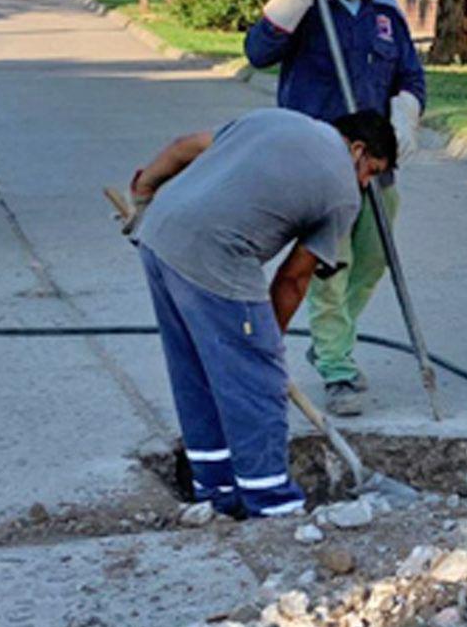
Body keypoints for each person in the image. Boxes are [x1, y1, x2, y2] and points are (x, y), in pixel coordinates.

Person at [125, 108, 398, 518]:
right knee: (257, 387)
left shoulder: (273, 120)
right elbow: (292, 280)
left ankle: (214, 491)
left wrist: (144, 195)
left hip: (159, 238)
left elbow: (183, 147)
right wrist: (264, 351)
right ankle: (273, 505)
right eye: (370, 172)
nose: (365, 184)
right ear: (356, 150)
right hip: (215, 255)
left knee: (195, 371)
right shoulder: (343, 191)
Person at [245, 0, 426, 418]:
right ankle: (337, 368)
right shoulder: (308, 6)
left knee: (372, 259)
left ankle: (332, 339)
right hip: (320, 165)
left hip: (376, 163)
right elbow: (258, 51)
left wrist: (407, 114)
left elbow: (411, 76)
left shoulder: (386, 14)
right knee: (331, 265)